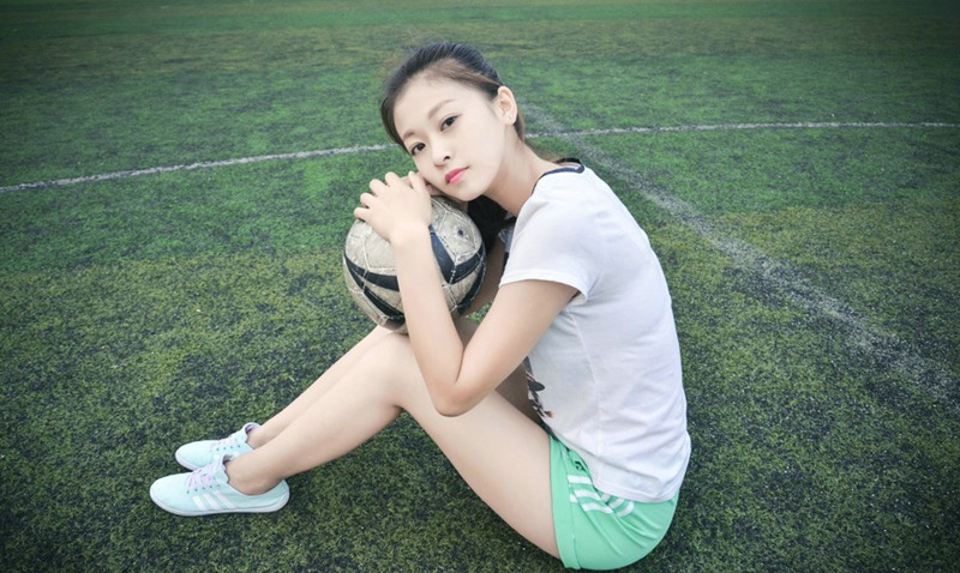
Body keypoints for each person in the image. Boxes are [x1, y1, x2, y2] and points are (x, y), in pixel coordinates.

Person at [150, 41, 690, 570]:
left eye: (449, 122)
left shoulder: (562, 221)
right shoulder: (537, 200)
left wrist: (410, 238)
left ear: (503, 106)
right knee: (403, 334)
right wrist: (445, 223)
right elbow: (458, 309)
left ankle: (249, 480)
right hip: (574, 430)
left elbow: (451, 394)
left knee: (399, 363)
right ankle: (259, 443)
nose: (439, 154)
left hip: (612, 509)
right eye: (417, 147)